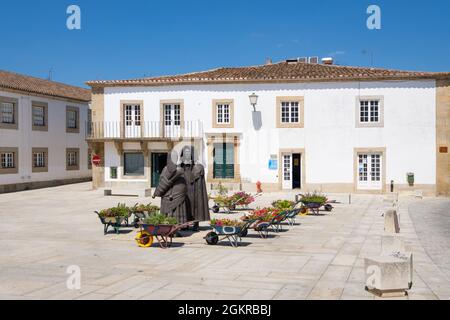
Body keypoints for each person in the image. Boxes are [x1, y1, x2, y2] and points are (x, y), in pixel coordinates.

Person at [152, 150, 189, 224]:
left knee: (172, 212)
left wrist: (156, 192)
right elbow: (163, 181)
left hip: (173, 196)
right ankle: (173, 227)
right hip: (173, 196)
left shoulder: (169, 169)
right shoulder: (179, 170)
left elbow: (162, 182)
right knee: (174, 212)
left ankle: (170, 227)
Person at [180, 145, 210, 230]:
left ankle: (196, 223)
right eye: (185, 152)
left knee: (196, 205)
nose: (187, 154)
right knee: (184, 206)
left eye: (188, 152)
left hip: (194, 190)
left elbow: (200, 183)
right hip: (184, 189)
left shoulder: (198, 167)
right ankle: (184, 224)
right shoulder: (180, 166)